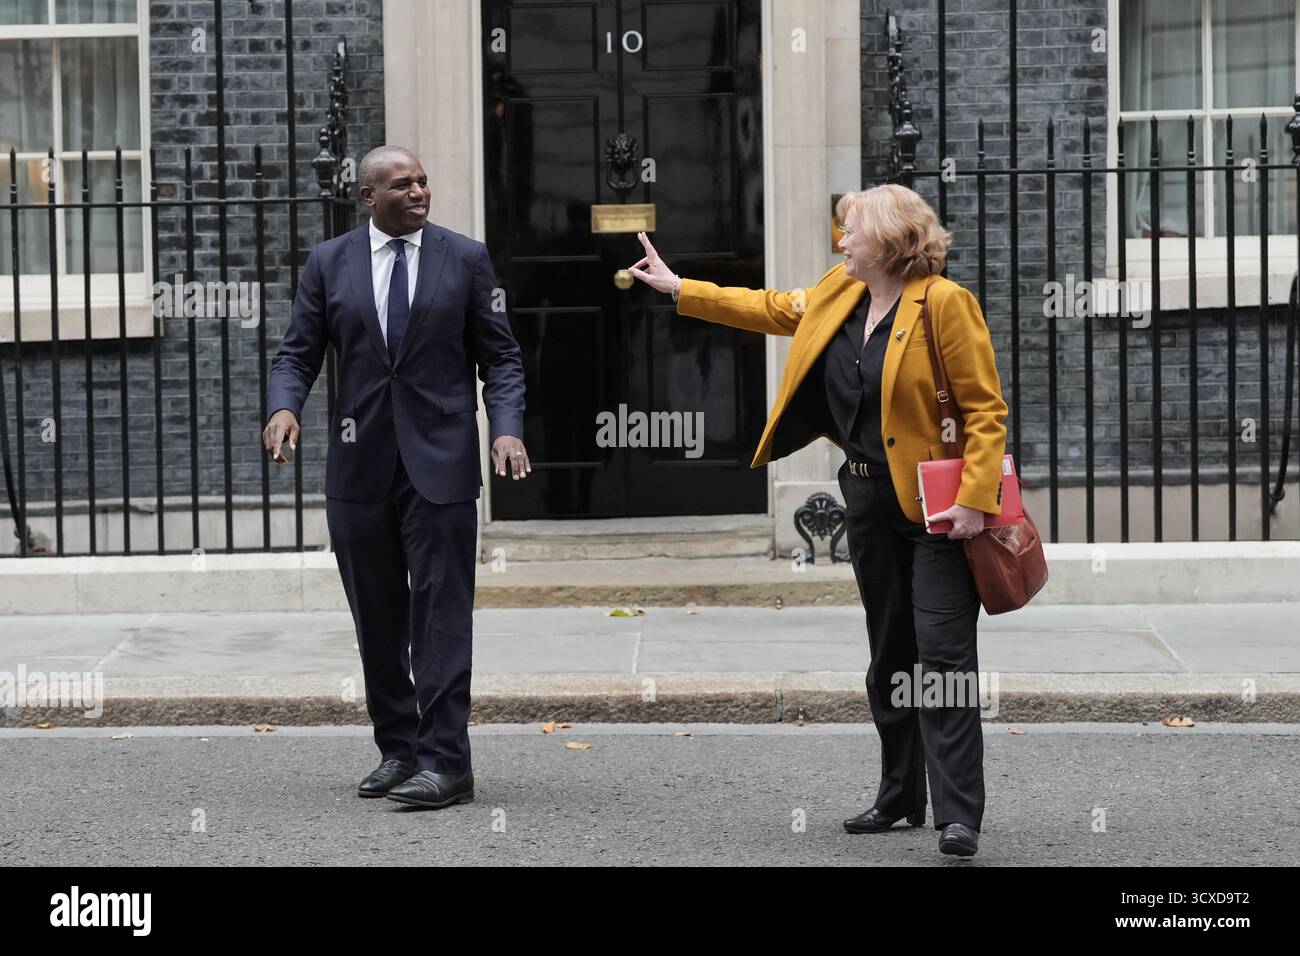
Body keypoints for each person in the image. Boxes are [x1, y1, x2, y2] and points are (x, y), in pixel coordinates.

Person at [628, 183, 1007, 857]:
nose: (841, 242)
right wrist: (678, 287)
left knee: (942, 656)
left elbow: (985, 413)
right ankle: (899, 797)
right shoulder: (841, 292)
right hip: (866, 502)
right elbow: (772, 308)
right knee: (889, 655)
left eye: (851, 232)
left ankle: (959, 815)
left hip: (938, 513)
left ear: (889, 240)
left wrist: (976, 500)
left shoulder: (945, 305)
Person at [262, 146, 529, 809]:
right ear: (367, 197)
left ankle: (448, 763)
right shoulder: (330, 263)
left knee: (439, 618)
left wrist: (506, 426)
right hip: (359, 466)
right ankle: (399, 748)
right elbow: (297, 350)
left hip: (439, 465)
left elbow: (501, 357)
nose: (418, 191)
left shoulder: (464, 259)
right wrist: (283, 407)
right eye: (401, 184)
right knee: (377, 617)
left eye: (423, 181)